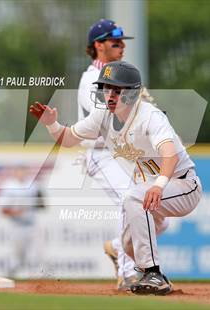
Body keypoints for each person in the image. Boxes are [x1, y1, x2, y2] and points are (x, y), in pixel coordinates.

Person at [29, 61, 202, 295]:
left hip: (183, 185)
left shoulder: (150, 117)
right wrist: (52, 125)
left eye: (116, 90)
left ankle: (154, 274)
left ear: (131, 94)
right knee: (128, 244)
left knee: (133, 197)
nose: (109, 95)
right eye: (105, 88)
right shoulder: (102, 116)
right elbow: (68, 138)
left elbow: (169, 155)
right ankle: (147, 271)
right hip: (151, 189)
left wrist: (159, 186)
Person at [77, 19, 139, 290]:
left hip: (124, 155)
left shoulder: (122, 76)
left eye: (123, 41)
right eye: (116, 42)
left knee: (157, 216)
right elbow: (104, 119)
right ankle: (128, 274)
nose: (122, 45)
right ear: (99, 46)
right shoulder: (92, 78)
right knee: (129, 199)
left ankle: (116, 247)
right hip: (100, 154)